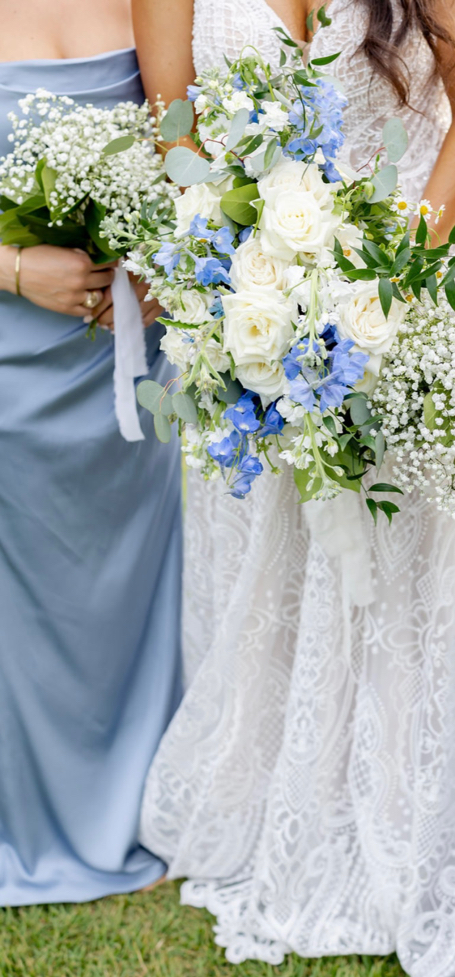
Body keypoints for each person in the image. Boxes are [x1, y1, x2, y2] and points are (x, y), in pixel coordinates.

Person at [133, 2, 455, 977]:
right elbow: (171, 116)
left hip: (410, 272)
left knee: (405, 564)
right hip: (256, 291)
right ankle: (273, 794)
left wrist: (380, 283)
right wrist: (216, 259)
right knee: (277, 538)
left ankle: (414, 801)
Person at [0, 0, 183, 904]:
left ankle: (143, 796)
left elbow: (179, 138)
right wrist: (12, 268)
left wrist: (150, 264)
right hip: (6, 354)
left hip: (124, 358)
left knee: (124, 584)